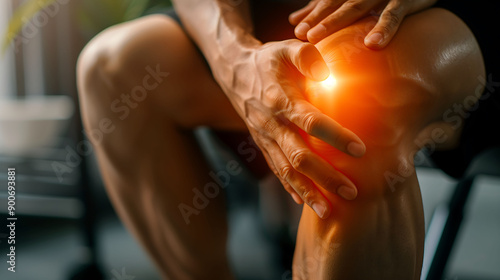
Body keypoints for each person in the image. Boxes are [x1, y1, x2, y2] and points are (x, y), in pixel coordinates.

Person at [76, 0, 485, 279]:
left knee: (347, 99)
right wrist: (234, 58)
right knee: (112, 67)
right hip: (281, 15)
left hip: (437, 14)